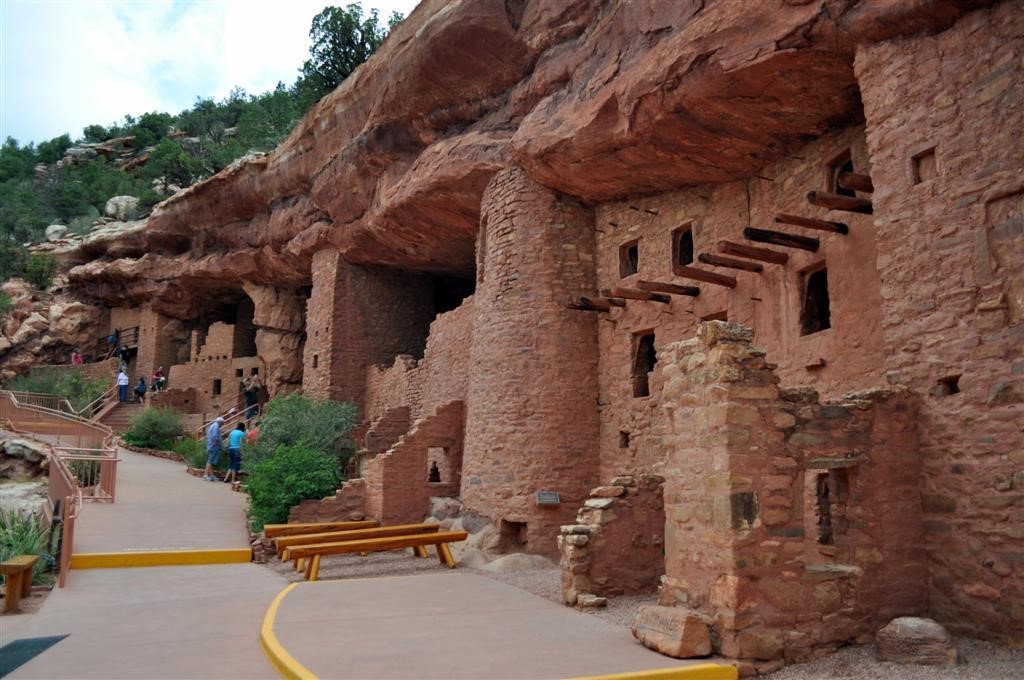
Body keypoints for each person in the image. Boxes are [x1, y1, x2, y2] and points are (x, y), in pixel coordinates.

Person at [203, 417, 224, 482]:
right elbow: (215, 436)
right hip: (214, 446)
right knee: (210, 460)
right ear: (220, 422)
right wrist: (216, 443)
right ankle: (205, 475)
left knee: (211, 461)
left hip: (212, 446)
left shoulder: (213, 425)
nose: (223, 424)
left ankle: (212, 475)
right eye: (222, 423)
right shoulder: (216, 426)